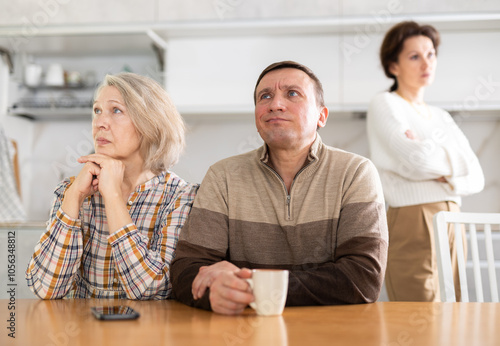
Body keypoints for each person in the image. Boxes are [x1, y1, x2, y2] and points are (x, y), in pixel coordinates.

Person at [170, 61, 388, 315]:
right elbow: (186, 269)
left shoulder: (356, 172)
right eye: (265, 96)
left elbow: (362, 279)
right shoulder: (223, 176)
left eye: (292, 93)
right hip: (243, 332)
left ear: (321, 116)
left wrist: (253, 285)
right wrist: (214, 294)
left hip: (333, 334)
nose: (275, 104)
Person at [26, 72, 198, 300]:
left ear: (150, 123)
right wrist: (74, 197)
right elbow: (44, 288)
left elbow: (152, 289)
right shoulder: (74, 190)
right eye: (97, 111)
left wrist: (113, 198)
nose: (99, 123)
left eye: (116, 110)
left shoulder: (180, 197)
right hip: (84, 333)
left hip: (150, 334)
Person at [366, 21, 484, 302]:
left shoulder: (441, 115)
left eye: (430, 54)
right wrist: (454, 166)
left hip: (455, 220)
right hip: (413, 217)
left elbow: (476, 176)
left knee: (454, 310)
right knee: (418, 312)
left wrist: (438, 164)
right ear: (393, 65)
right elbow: (416, 159)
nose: (426, 63)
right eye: (414, 56)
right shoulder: (386, 104)